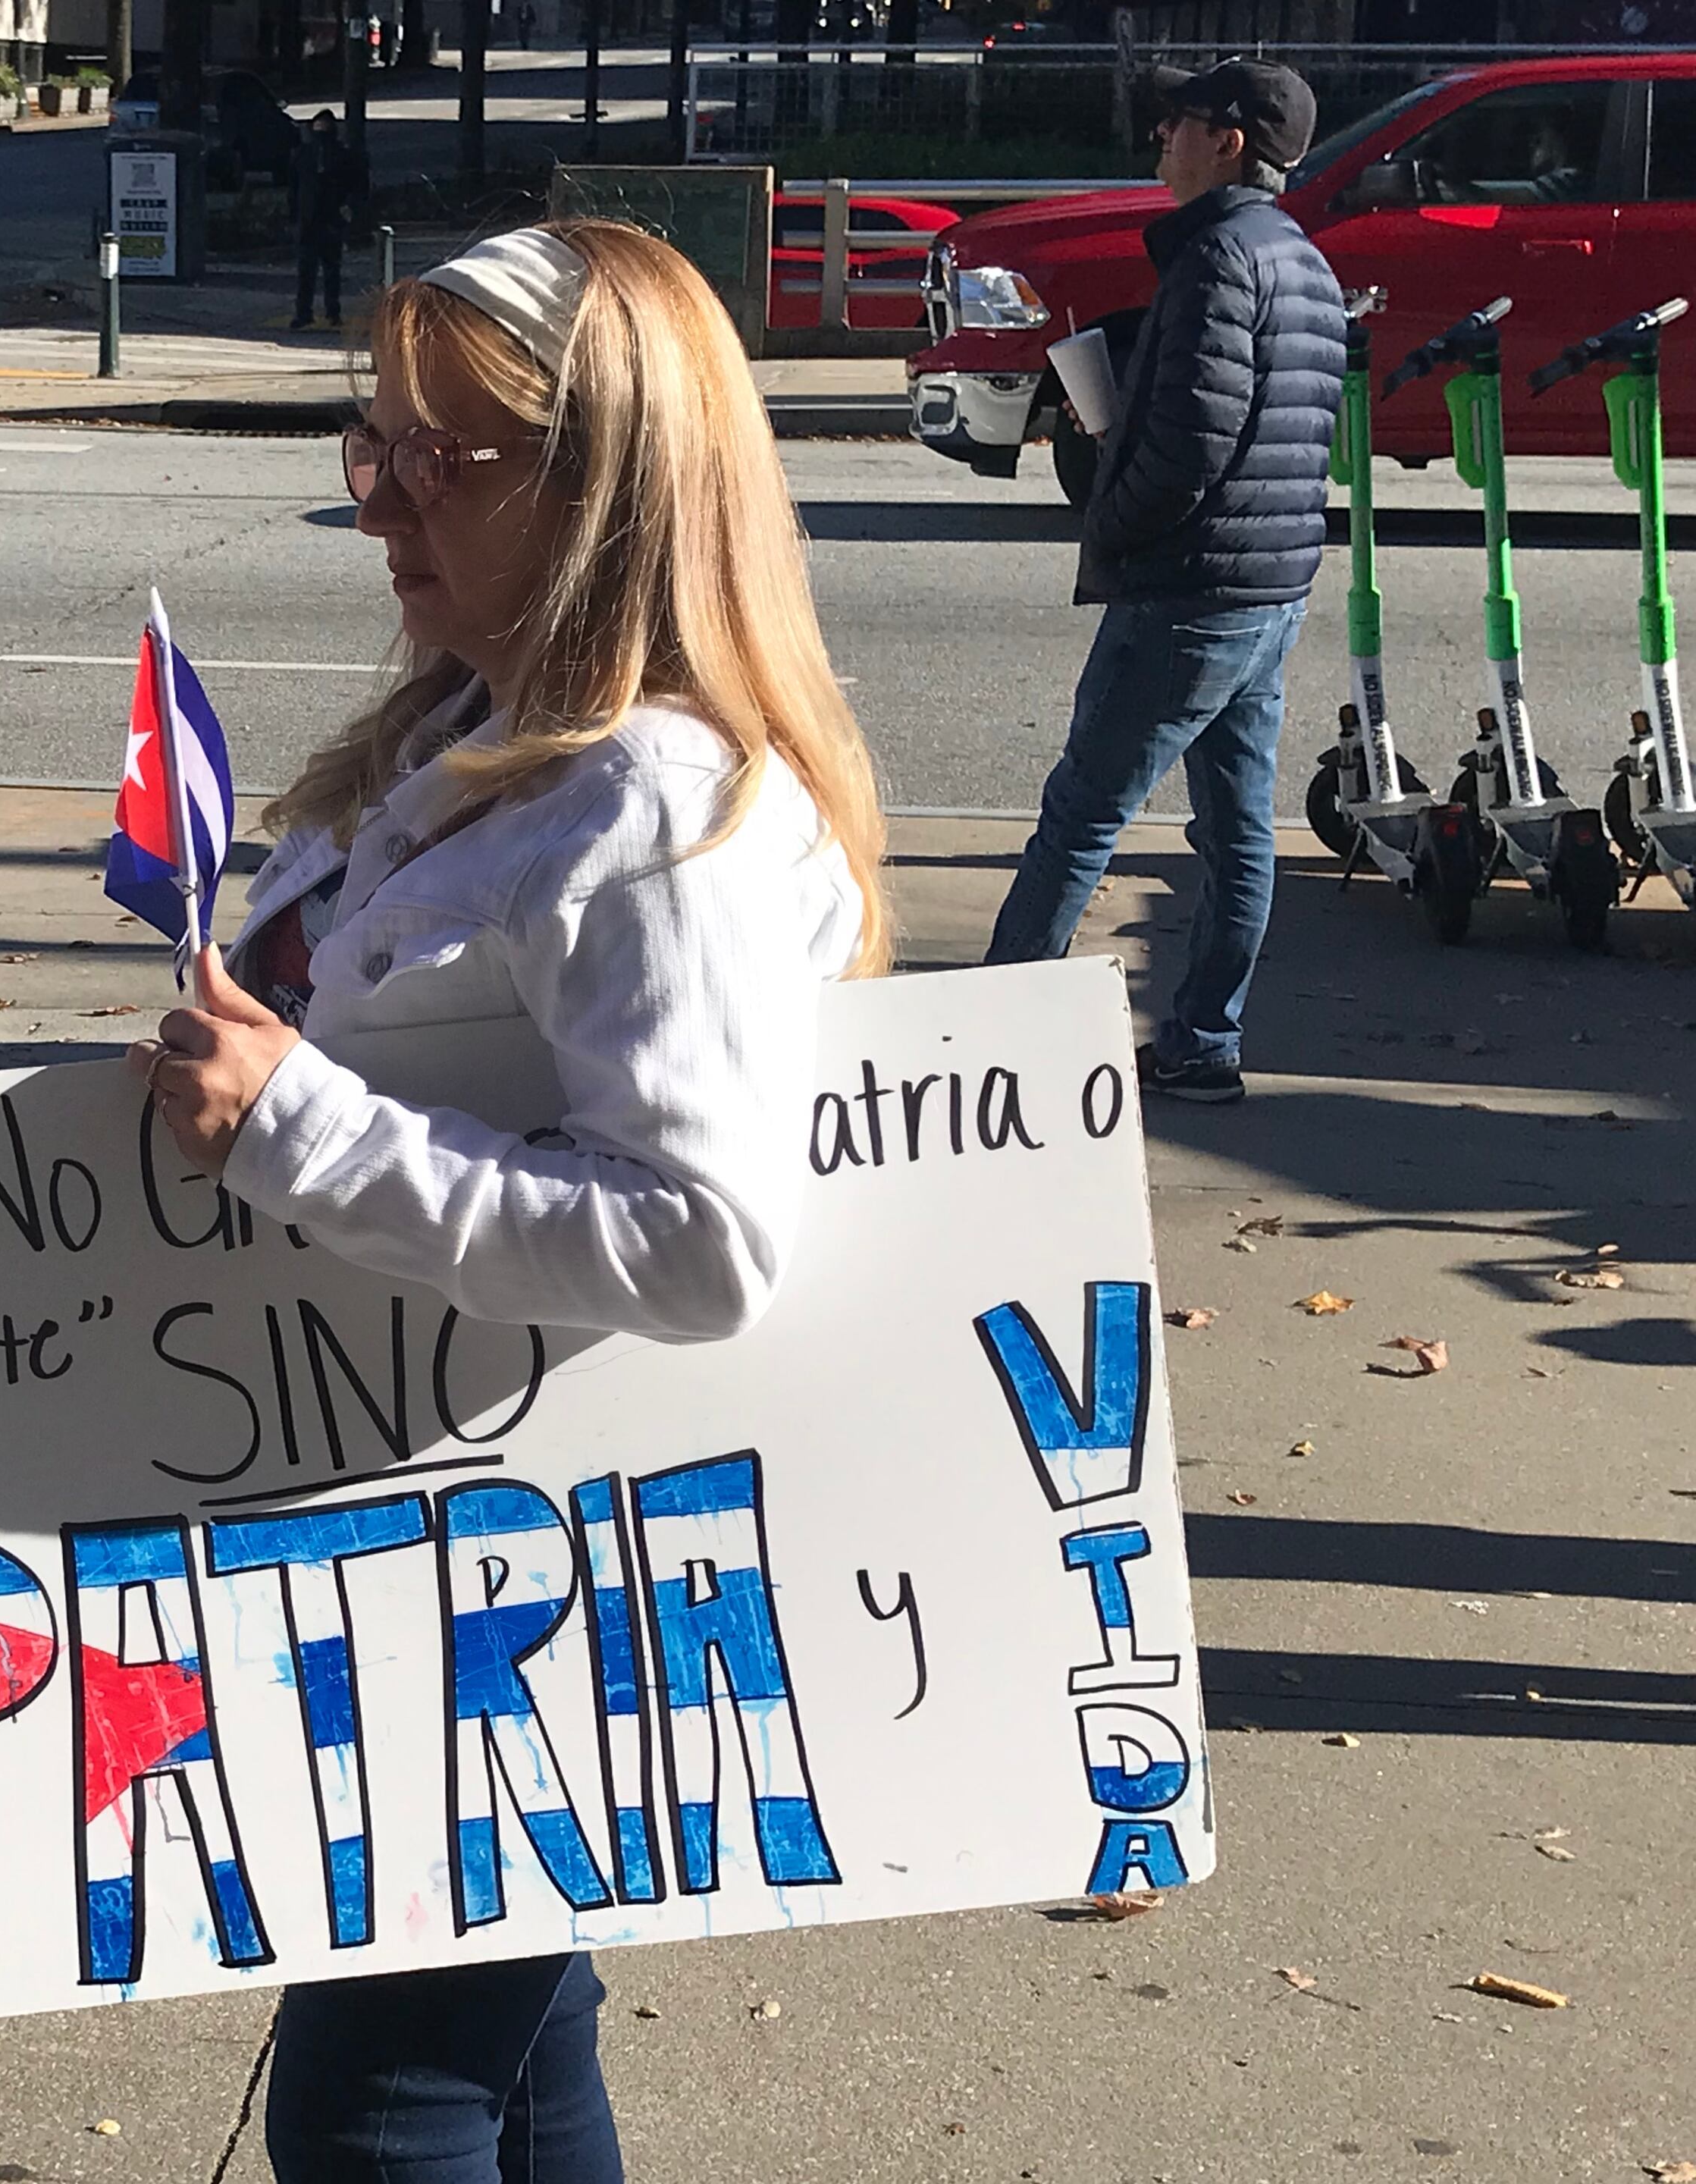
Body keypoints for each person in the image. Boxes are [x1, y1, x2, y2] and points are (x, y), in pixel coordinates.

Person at [126, 218, 889, 2184]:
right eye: (368, 443)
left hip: (513, 1554)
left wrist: (297, 1127)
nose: (378, 502)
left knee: (387, 2093)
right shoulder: (490, 736)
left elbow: (703, 1236)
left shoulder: (646, 809)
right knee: (507, 2044)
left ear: (611, 493)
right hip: (451, 1523)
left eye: (442, 462)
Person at [983, 58, 1342, 1105]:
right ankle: (1205, 1042)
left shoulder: (1219, 258)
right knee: (1237, 830)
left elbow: (1190, 446)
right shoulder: (1304, 262)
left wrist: (1112, 515)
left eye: (1178, 125)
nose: (1161, 142)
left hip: (1189, 587)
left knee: (1083, 815)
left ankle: (988, 1049)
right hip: (1273, 583)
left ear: (1228, 142)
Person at [290, 108, 360, 331]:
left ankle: (325, 311)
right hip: (315, 218)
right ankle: (309, 312)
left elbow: (352, 185)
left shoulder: (333, 154)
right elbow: (294, 188)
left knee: (326, 270)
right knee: (313, 271)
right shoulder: (306, 154)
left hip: (326, 218)